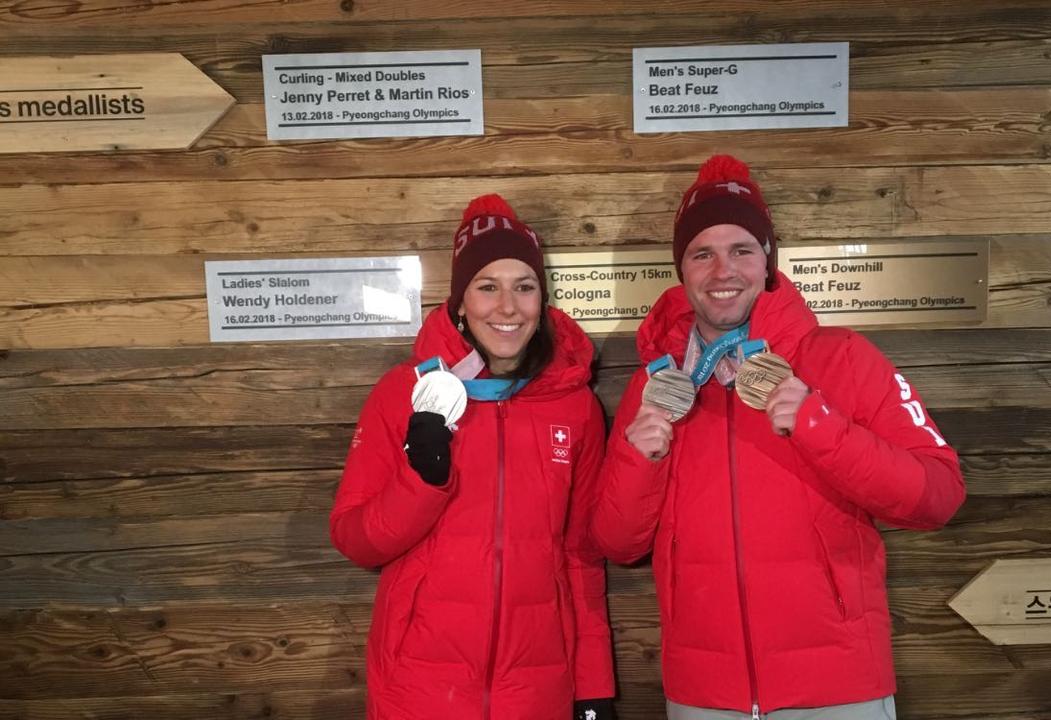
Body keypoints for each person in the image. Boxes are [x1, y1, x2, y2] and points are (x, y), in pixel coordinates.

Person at [591, 155, 966, 720]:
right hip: (702, 696)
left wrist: (817, 424)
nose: (724, 271)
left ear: (768, 263)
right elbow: (619, 544)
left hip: (838, 688)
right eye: (702, 253)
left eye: (742, 249)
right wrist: (641, 458)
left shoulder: (842, 358)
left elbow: (939, 495)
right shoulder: (658, 382)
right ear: (682, 269)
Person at [331, 194, 616, 720]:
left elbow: (580, 557)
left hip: (536, 690)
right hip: (418, 686)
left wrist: (593, 687)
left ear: (542, 300)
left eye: (523, 287)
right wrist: (422, 481)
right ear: (460, 302)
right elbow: (356, 542)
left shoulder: (574, 406)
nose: (507, 307)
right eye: (488, 287)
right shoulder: (403, 393)